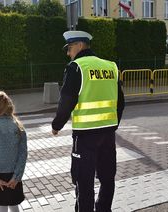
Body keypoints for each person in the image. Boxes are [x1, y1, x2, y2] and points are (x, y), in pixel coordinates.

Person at [51, 31, 125, 212]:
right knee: (107, 178)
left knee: (84, 180)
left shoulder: (76, 67)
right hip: (108, 134)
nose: (68, 53)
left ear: (79, 45)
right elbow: (120, 102)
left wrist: (56, 125)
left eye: (69, 48)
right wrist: (113, 125)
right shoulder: (111, 67)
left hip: (85, 136)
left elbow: (66, 101)